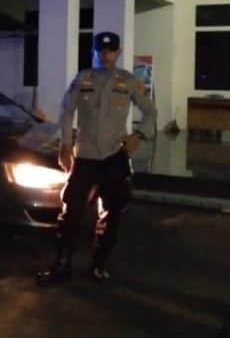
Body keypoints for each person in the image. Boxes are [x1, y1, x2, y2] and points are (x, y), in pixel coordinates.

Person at [36, 31, 157, 286]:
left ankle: (99, 266)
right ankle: (62, 265)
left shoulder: (128, 81)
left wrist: (138, 135)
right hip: (85, 158)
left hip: (113, 157)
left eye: (110, 50)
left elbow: (150, 112)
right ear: (94, 52)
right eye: (101, 50)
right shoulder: (83, 79)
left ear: (118, 52)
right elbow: (67, 111)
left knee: (111, 214)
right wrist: (66, 144)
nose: (106, 55)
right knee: (71, 212)